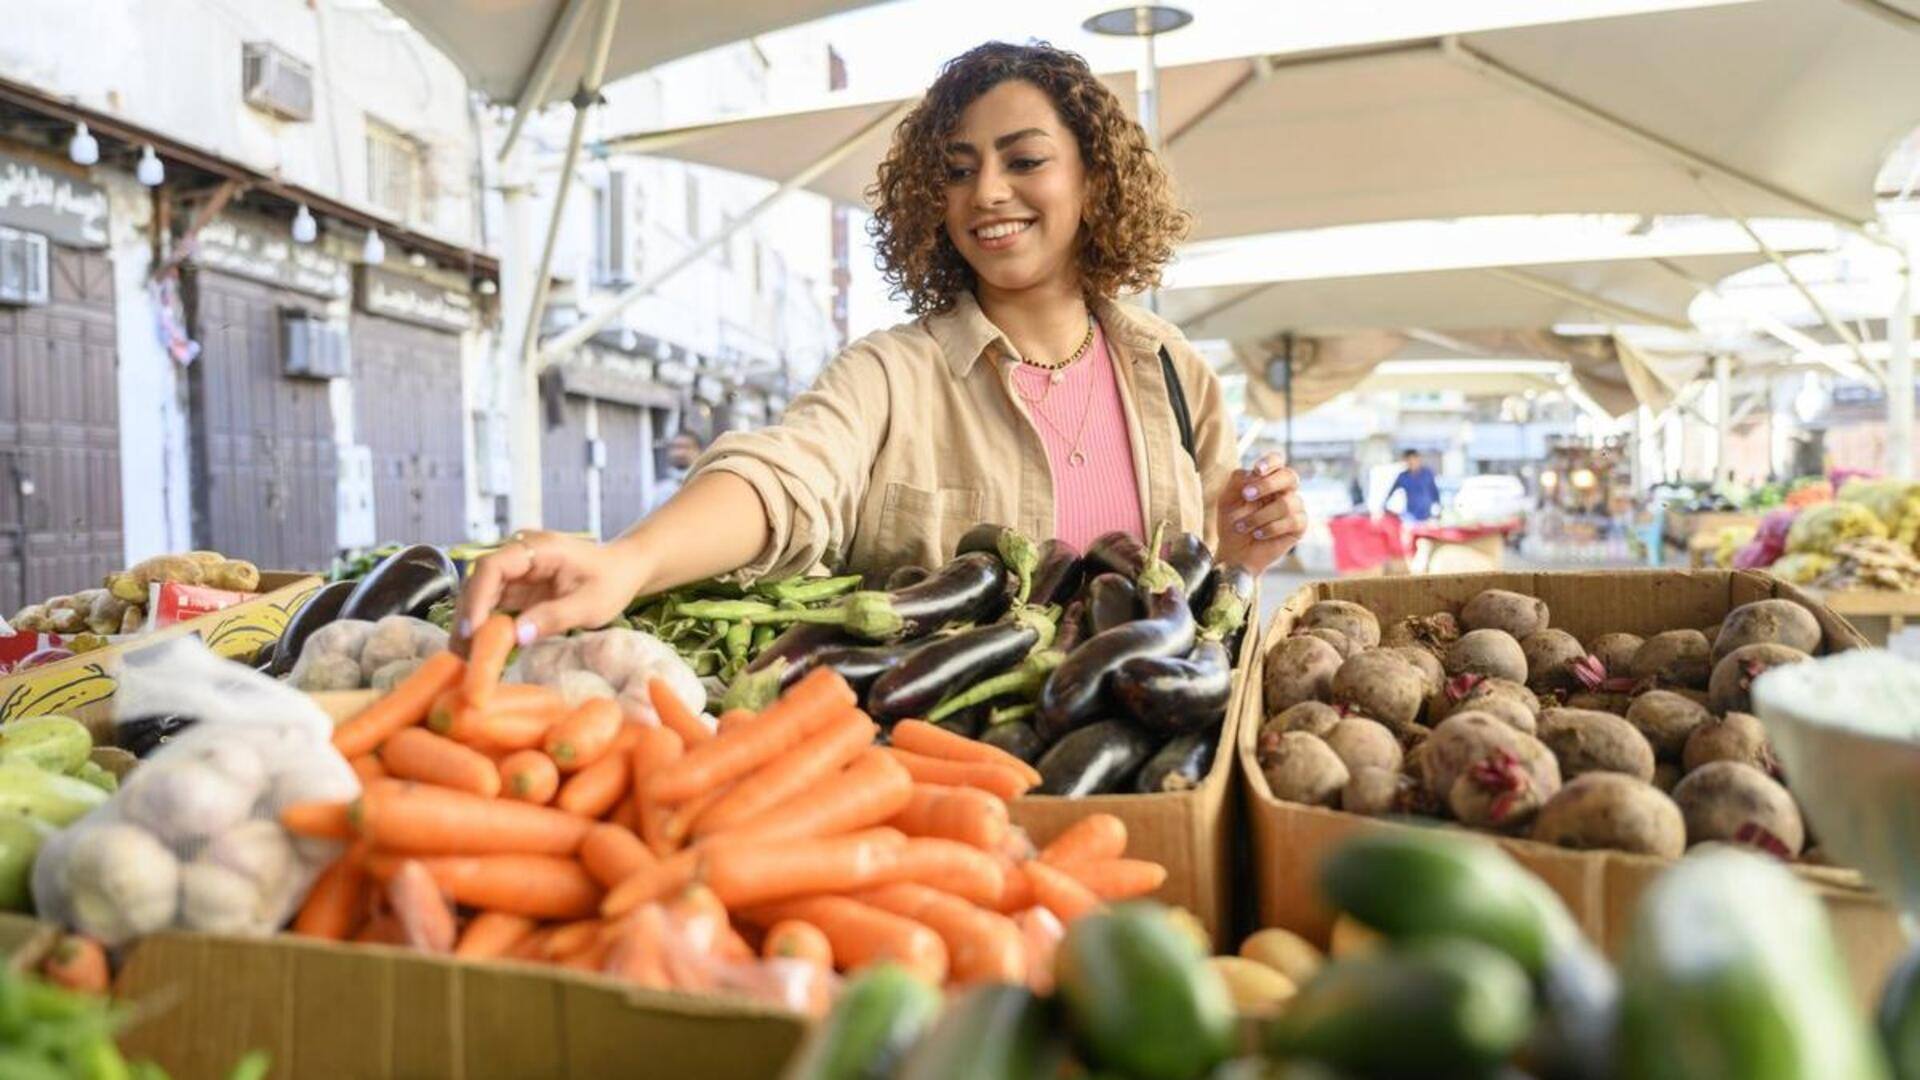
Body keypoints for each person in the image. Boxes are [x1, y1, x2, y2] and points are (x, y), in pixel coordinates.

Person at [455, 42, 1309, 646]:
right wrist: (629, 561)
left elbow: (1204, 607)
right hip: (940, 794)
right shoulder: (891, 375)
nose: (987, 192)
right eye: (957, 168)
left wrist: (1241, 551)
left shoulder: (1173, 374)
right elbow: (784, 477)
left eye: (1024, 161)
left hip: (1150, 775)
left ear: (1094, 179)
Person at [646, 430, 705, 514]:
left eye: (686, 447)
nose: (680, 453)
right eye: (675, 447)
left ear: (699, 451)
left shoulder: (707, 483)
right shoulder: (661, 490)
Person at [1387, 449, 1440, 522]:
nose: (1412, 463)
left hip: (1428, 516)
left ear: (1418, 459)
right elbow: (1390, 494)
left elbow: (1434, 492)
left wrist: (1437, 509)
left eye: (1414, 460)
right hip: (1411, 517)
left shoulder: (1427, 474)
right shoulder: (1403, 477)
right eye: (1409, 461)